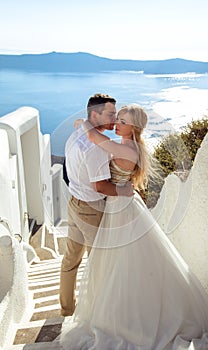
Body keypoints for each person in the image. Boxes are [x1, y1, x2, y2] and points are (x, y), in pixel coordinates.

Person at [58, 105, 208, 349]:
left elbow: (93, 137)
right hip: (122, 205)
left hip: (120, 209)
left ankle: (131, 317)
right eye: (117, 118)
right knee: (122, 265)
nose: (117, 123)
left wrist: (82, 123)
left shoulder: (126, 148)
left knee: (123, 264)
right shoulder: (129, 145)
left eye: (123, 121)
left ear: (135, 127)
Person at [60, 94, 133, 317]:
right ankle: (98, 314)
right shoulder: (97, 149)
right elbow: (101, 186)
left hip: (73, 204)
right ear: (95, 114)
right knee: (100, 265)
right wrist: (123, 191)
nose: (114, 119)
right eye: (110, 114)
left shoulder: (76, 134)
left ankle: (67, 309)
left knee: (70, 261)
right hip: (91, 210)